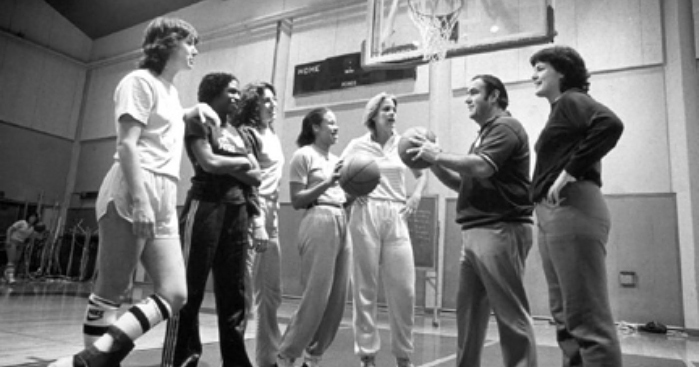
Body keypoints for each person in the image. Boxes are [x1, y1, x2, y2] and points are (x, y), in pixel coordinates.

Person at [49, 17, 220, 367]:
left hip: (164, 193)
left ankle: (91, 359)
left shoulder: (170, 92)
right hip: (134, 185)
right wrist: (141, 200)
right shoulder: (137, 82)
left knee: (175, 292)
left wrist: (194, 110)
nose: (195, 50)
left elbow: (165, 121)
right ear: (168, 43)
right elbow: (127, 145)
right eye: (190, 42)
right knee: (112, 290)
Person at [408, 75, 538, 367]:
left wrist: (438, 154)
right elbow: (465, 184)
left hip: (500, 228)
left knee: (511, 315)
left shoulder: (506, 127)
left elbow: (480, 167)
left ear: (494, 96)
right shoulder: (483, 135)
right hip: (476, 232)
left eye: (474, 92)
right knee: (468, 316)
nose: (467, 98)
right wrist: (434, 163)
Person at [529, 45, 624, 366]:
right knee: (566, 320)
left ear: (562, 72)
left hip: (573, 207)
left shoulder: (571, 100)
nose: (534, 75)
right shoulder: (560, 109)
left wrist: (566, 173)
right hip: (551, 215)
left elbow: (610, 124)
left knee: (586, 320)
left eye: (541, 68)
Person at [160, 72, 261, 367]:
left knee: (234, 293)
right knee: (189, 288)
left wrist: (231, 165)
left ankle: (235, 361)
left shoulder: (239, 133)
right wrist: (241, 163)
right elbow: (208, 162)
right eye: (230, 91)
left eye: (238, 92)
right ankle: (181, 359)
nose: (237, 97)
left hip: (237, 211)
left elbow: (255, 176)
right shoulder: (198, 120)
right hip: (204, 207)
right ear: (213, 93)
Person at [341, 92, 427, 367]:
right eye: (387, 109)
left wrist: (415, 197)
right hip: (365, 212)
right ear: (374, 115)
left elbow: (422, 172)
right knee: (365, 287)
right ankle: (367, 355)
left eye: (394, 110)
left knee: (405, 289)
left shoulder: (403, 144)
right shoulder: (357, 145)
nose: (392, 114)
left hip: (396, 212)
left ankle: (403, 355)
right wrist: (352, 193)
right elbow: (339, 173)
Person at [276, 108, 351, 367]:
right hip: (317, 217)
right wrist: (327, 183)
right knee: (316, 294)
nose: (336, 127)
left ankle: (314, 356)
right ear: (315, 127)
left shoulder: (339, 160)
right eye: (331, 122)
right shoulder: (303, 155)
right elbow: (297, 200)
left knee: (338, 297)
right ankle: (286, 354)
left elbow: (342, 196)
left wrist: (359, 187)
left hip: (342, 218)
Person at [237, 81, 285, 367]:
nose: (272, 105)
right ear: (253, 104)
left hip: (272, 214)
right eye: (266, 100)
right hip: (250, 213)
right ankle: (234, 358)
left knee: (271, 294)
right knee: (242, 294)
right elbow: (249, 182)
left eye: (274, 100)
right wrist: (257, 222)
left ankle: (267, 360)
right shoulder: (248, 134)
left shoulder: (274, 135)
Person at [4, 213, 37, 283]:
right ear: (28, 217)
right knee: (11, 259)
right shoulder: (22, 222)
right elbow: (10, 229)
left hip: (21, 244)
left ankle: (9, 274)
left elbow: (31, 237)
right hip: (13, 241)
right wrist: (8, 239)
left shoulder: (32, 228)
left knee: (16, 260)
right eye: (31, 217)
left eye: (34, 218)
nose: (32, 219)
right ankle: (10, 277)